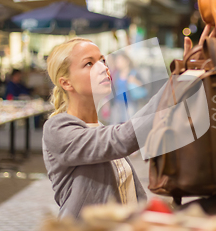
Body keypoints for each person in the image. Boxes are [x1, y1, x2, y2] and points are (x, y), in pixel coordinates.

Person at [42, 36, 194, 219]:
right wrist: (177, 82)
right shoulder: (57, 129)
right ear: (66, 83)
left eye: (102, 60)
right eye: (89, 64)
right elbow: (122, 139)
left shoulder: (99, 127)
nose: (103, 68)